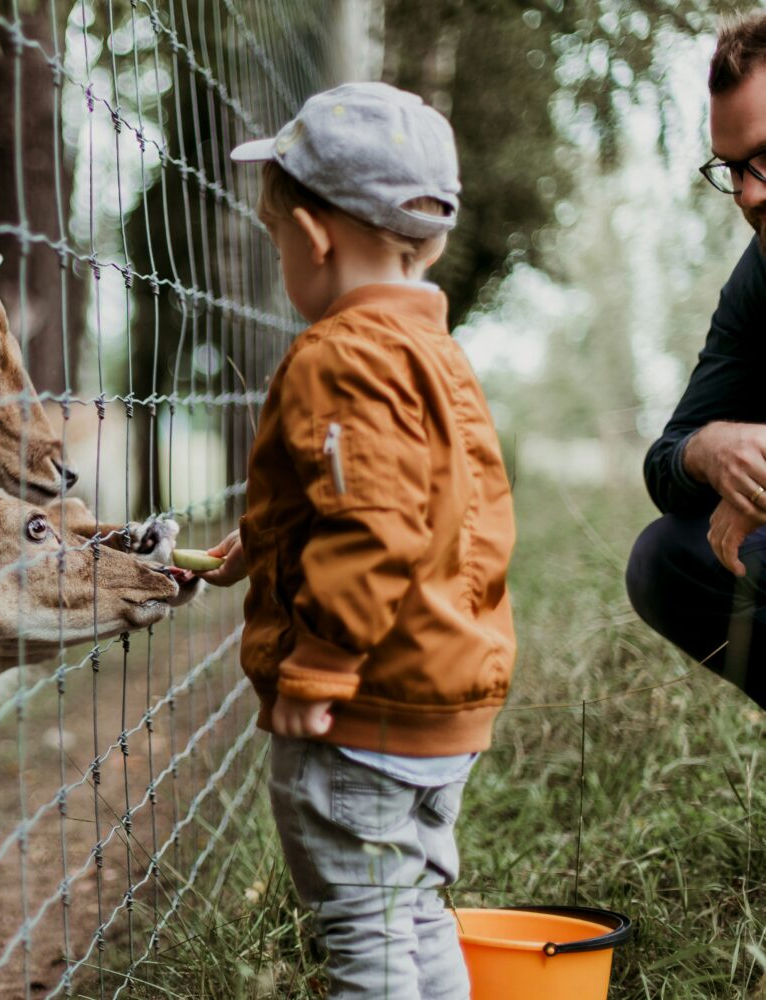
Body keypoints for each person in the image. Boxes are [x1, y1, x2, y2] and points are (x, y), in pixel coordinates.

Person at [200, 82, 516, 999]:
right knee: (415, 917)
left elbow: (374, 524)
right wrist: (265, 545)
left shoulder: (338, 356)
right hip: (438, 706)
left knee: (366, 942)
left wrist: (321, 662)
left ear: (314, 239)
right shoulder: (436, 355)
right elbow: (431, 513)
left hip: (361, 715)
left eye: (276, 240)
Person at [626, 12, 766, 707]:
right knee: (666, 559)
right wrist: (712, 451)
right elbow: (666, 459)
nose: (749, 195)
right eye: (734, 169)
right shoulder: (760, 275)